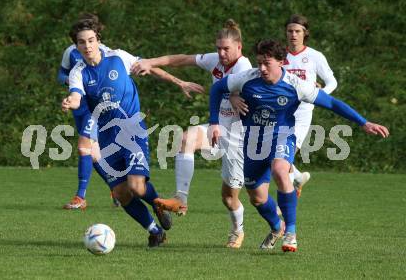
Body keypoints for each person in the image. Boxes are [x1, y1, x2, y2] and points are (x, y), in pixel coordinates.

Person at [209, 39, 389, 252]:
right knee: (257, 198)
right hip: (254, 142)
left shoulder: (296, 85)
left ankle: (291, 233)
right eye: (259, 63)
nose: (262, 68)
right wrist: (215, 121)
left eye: (267, 63)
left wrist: (364, 122)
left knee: (280, 170)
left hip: (283, 136)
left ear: (281, 62)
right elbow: (218, 88)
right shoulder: (248, 79)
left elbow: (331, 103)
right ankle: (277, 227)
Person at [61, 18, 201, 247]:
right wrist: (70, 102)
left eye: (91, 40)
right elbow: (77, 96)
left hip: (132, 131)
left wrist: (178, 82)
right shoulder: (79, 72)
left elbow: (148, 67)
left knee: (136, 186)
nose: (87, 46)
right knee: (121, 193)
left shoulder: (118, 57)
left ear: (98, 40)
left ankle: (157, 202)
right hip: (106, 138)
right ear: (76, 46)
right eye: (81, 42)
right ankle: (155, 231)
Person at [131, 19, 252, 249]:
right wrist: (149, 62)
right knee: (185, 139)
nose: (221, 53)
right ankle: (180, 200)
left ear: (239, 47)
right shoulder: (216, 60)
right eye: (218, 48)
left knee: (229, 198)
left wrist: (234, 95)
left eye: (226, 48)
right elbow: (183, 59)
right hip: (217, 127)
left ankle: (238, 231)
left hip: (239, 137)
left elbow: (239, 92)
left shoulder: (243, 67)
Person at [284, 14, 338, 196]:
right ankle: (297, 177)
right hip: (280, 111)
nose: (293, 34)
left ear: (305, 33)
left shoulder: (315, 56)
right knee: (272, 153)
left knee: (286, 154)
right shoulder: (279, 55)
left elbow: (332, 82)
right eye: (290, 31)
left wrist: (319, 95)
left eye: (297, 31)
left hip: (302, 113)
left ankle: (286, 202)